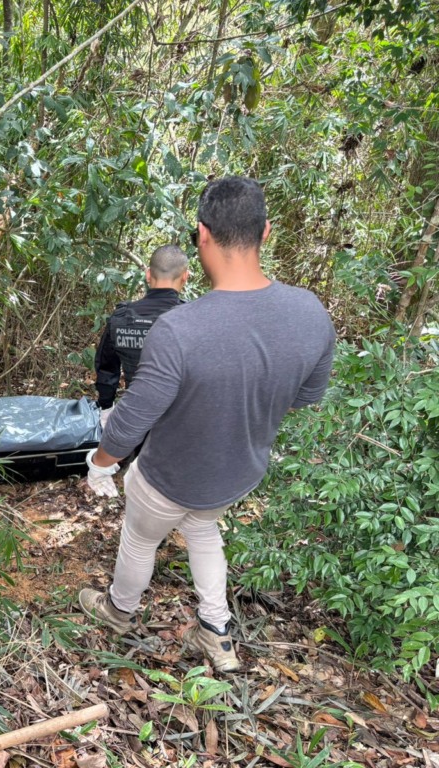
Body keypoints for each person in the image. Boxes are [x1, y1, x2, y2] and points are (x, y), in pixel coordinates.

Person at [78, 177, 336, 673]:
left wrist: (100, 462)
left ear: (202, 234)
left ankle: (118, 611)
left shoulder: (181, 328)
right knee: (202, 528)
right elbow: (304, 398)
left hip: (169, 476)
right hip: (237, 473)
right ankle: (216, 630)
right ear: (265, 232)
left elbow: (133, 418)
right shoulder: (310, 314)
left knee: (140, 538)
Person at [94, 244, 188, 462]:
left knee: (140, 469)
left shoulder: (121, 318)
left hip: (136, 418)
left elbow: (106, 368)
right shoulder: (192, 318)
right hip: (180, 421)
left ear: (148, 274)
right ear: (185, 277)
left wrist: (106, 406)